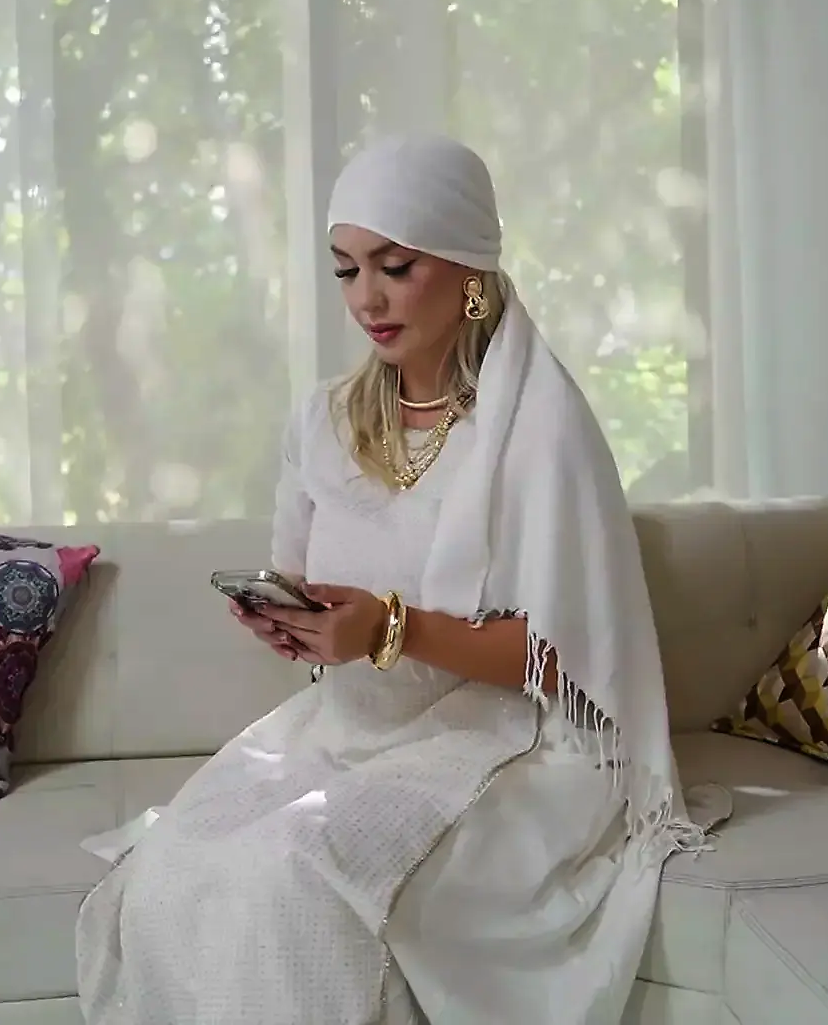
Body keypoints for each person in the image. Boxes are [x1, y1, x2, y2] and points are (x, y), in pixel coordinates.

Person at [74, 134, 709, 1024]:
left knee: (293, 871)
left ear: (470, 271)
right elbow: (302, 577)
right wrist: (293, 620)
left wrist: (388, 630)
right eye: (346, 270)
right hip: (346, 730)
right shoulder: (324, 420)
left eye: (395, 266)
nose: (365, 298)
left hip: (509, 742)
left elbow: (566, 658)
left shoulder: (539, 432)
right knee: (175, 866)